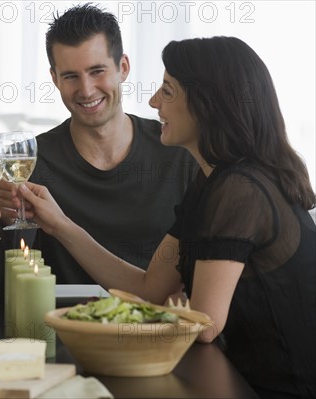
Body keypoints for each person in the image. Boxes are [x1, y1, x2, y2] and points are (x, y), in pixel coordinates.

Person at [20, 36, 316, 398]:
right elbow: (151, 288)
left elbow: (204, 325)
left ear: (208, 104)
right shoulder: (210, 181)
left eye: (168, 92)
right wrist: (58, 225)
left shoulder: (240, 189)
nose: (153, 101)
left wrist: (100, 326)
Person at [0, 3, 196, 297]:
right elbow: (1, 286)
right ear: (55, 79)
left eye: (97, 71)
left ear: (123, 68)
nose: (86, 89)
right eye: (70, 76)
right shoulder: (27, 161)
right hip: (60, 333)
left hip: (159, 333)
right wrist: (7, 221)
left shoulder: (180, 152)